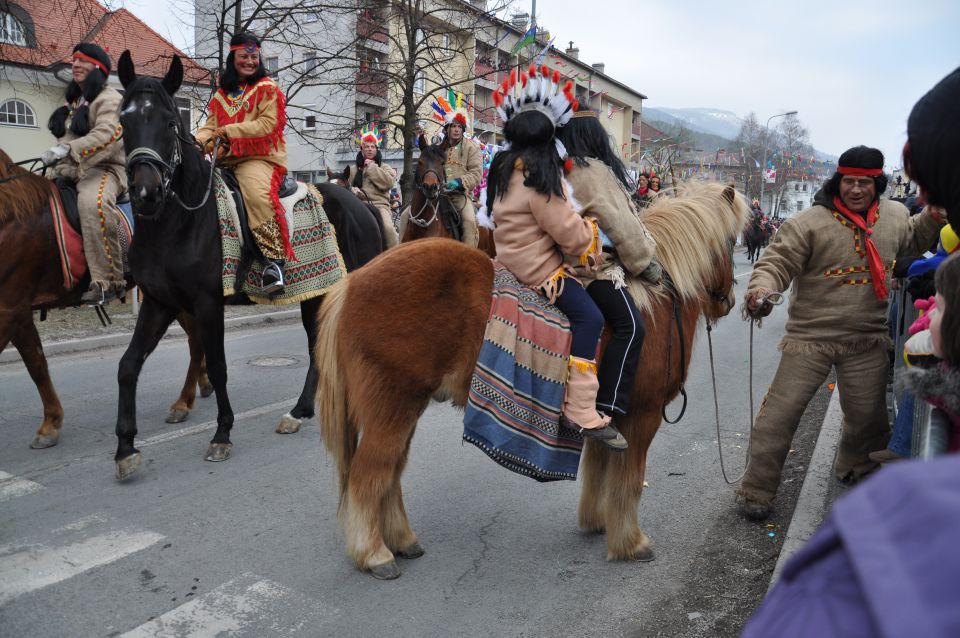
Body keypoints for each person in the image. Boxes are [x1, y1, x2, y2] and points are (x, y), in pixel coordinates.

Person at [736, 145, 943, 520]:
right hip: (808, 340)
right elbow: (775, 262)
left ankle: (856, 471)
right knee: (778, 418)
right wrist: (760, 292)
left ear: (878, 184)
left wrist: (933, 214)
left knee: (869, 420)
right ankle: (756, 490)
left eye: (865, 183)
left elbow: (913, 241)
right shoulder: (809, 222)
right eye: (849, 181)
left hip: (866, 339)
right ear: (838, 182)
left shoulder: (895, 215)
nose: (857, 189)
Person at [487, 65, 627, 451]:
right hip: (541, 272)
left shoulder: (503, 169)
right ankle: (581, 408)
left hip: (508, 262)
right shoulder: (539, 176)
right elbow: (568, 232)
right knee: (592, 317)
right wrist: (593, 233)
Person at [557, 106, 660, 420]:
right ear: (593, 134)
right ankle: (608, 405)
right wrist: (644, 262)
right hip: (593, 271)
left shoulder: (562, 167)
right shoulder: (592, 171)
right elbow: (620, 226)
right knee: (632, 327)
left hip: (560, 266)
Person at [195, 32, 290, 295]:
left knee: (256, 195)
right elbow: (209, 127)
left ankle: (274, 263)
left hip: (259, 159)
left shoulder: (267, 88)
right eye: (244, 57)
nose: (249, 61)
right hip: (225, 161)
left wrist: (229, 131)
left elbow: (267, 124)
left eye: (254, 57)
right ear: (232, 58)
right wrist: (197, 142)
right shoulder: (222, 94)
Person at [44, 43, 127, 304]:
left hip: (106, 169)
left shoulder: (110, 98)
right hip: (74, 169)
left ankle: (108, 282)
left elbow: (108, 137)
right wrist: (57, 163)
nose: (75, 65)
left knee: (93, 203)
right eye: (74, 61)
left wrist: (67, 149)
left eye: (83, 62)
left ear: (98, 69)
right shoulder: (76, 101)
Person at [412, 91, 482, 246]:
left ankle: (467, 259)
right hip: (435, 195)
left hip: (459, 197)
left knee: (470, 222)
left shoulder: (472, 148)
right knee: (406, 216)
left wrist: (459, 182)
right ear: (447, 128)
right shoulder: (438, 147)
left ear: (463, 129)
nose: (456, 130)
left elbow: (477, 174)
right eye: (453, 126)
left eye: (459, 127)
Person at [344, 122, 399, 248]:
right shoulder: (352, 170)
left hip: (380, 206)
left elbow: (389, 183)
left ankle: (393, 254)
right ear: (362, 149)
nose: (369, 149)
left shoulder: (385, 167)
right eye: (367, 146)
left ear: (377, 149)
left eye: (372, 147)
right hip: (359, 205)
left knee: (388, 229)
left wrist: (372, 168)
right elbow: (344, 186)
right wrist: (350, 190)